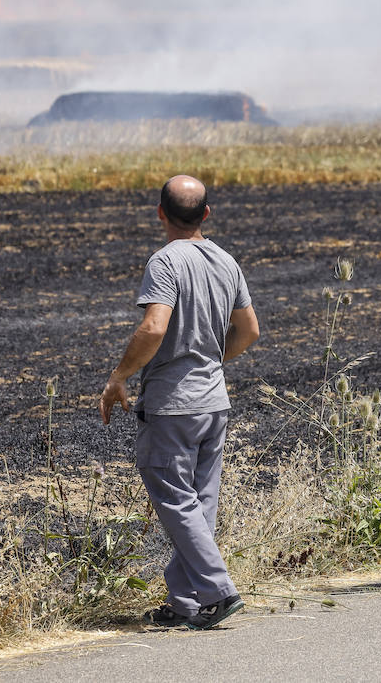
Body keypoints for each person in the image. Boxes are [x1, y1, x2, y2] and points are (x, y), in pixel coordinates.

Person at [99, 175, 260, 628]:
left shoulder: (166, 262)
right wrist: (210, 358)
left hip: (172, 403)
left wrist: (119, 377)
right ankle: (189, 603)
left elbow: (153, 328)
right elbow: (249, 332)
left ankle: (219, 591)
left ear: (160, 214)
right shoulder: (226, 261)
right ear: (206, 214)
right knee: (199, 504)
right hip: (214, 401)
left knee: (174, 500)